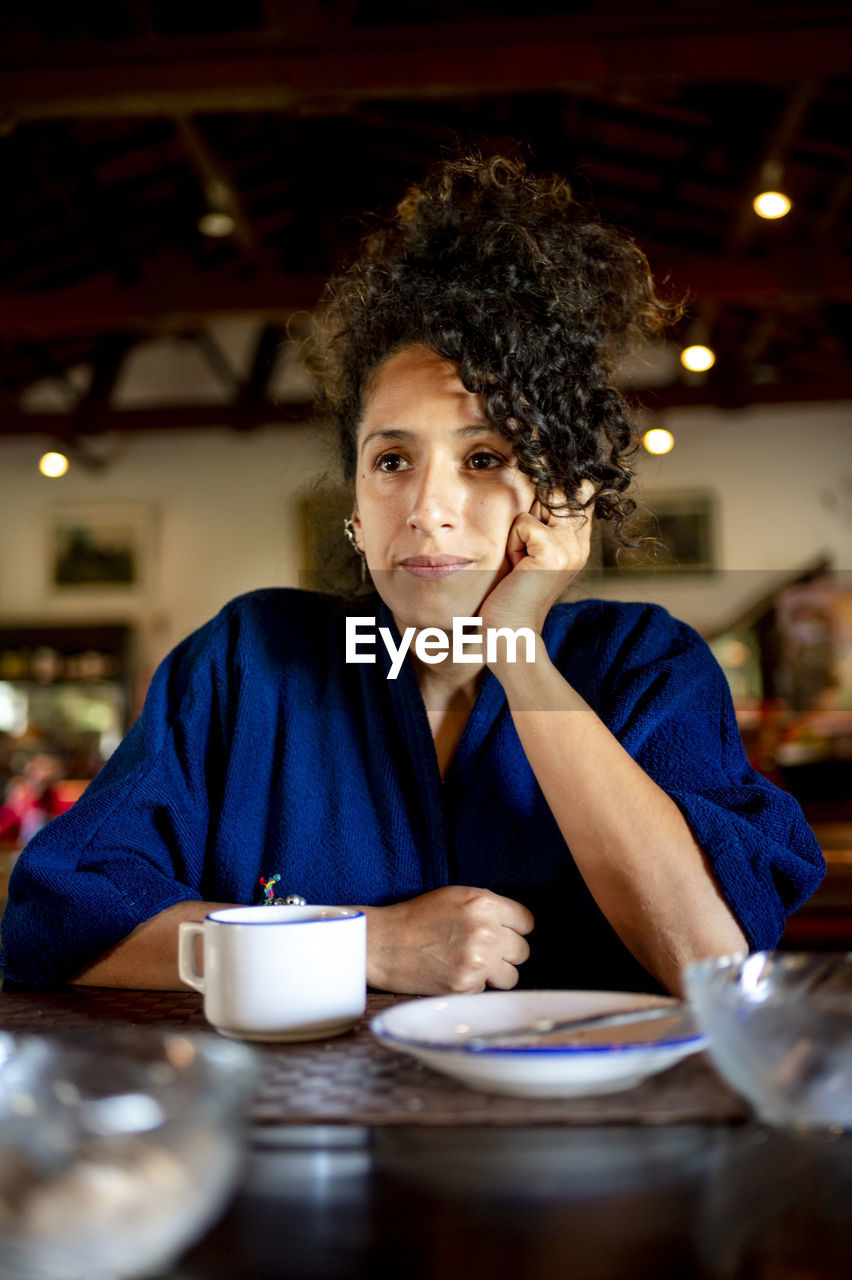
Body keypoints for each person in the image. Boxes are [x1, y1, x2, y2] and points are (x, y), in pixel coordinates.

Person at [1, 152, 823, 995]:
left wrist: (519, 651)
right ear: (355, 506)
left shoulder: (646, 666)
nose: (428, 508)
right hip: (303, 1126)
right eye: (392, 459)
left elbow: (712, 964)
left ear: (560, 495)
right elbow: (55, 928)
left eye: (485, 457)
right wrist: (354, 947)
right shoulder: (250, 662)